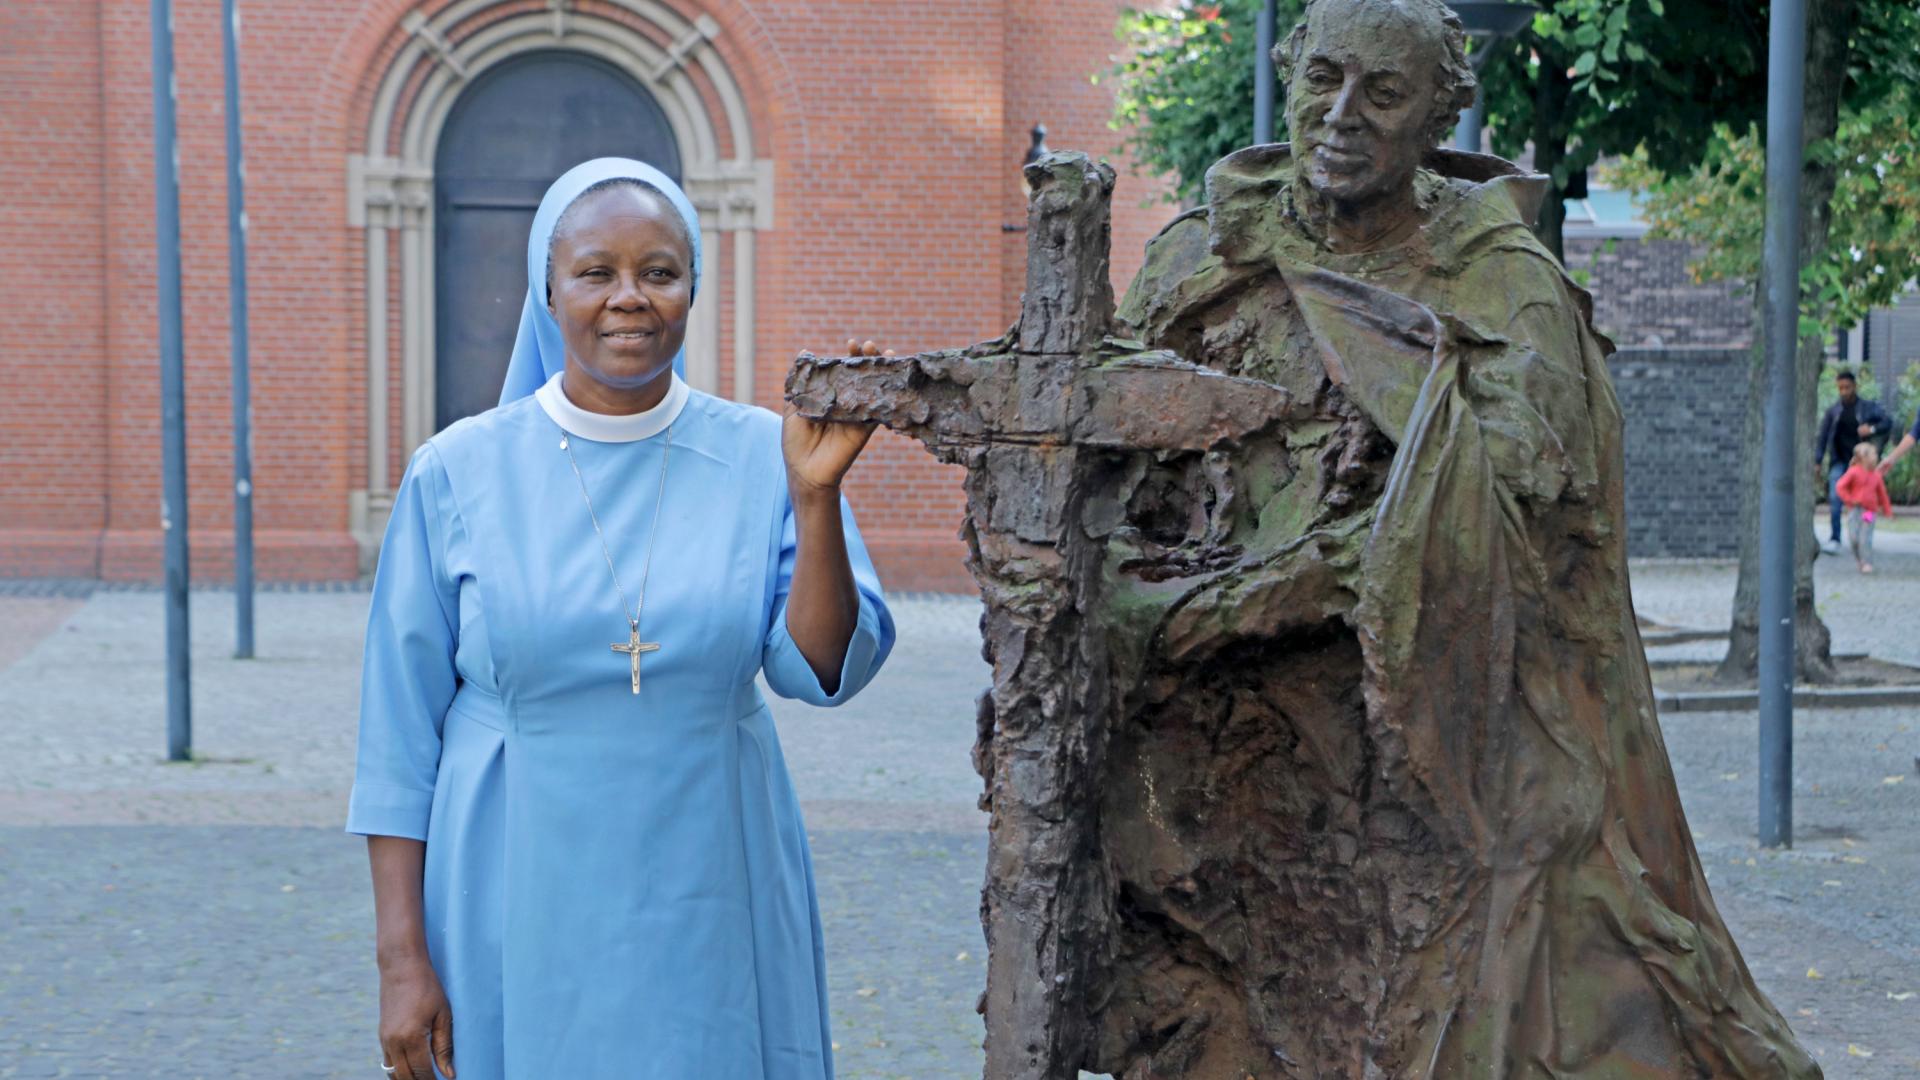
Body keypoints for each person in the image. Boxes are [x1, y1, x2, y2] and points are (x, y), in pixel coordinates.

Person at [1104, 0, 1820, 1073]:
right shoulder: (1197, 259)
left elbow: (1523, 483)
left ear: (1438, 115)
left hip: (1449, 731)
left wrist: (1275, 584)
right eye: (1324, 79)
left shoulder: (1498, 276)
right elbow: (1110, 455)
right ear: (1291, 72)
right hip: (1233, 740)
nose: (1342, 115)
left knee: (1504, 992)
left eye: (1384, 94)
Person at [347, 157, 895, 1080]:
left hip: (713, 879)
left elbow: (818, 669)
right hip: (513, 884)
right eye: (596, 272)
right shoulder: (456, 471)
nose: (628, 298)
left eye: (659, 272)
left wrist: (813, 498)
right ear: (548, 289)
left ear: (692, 288)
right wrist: (402, 961)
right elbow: (397, 741)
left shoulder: (768, 450)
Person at [1814, 368, 1892, 552]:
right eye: (1840, 388)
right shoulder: (1833, 411)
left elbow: (1887, 422)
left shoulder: (1867, 408)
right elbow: (1823, 437)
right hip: (1840, 461)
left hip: (1862, 464)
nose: (1844, 391)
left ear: (1855, 386)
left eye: (1847, 387)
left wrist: (1871, 430)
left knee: (1865, 503)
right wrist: (1817, 460)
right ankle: (1835, 538)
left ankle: (1863, 538)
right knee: (1835, 496)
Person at [1837, 441, 1894, 572]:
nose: (1876, 456)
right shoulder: (1853, 472)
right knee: (1853, 538)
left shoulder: (1876, 475)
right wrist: (1850, 500)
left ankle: (1867, 561)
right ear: (1863, 456)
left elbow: (1882, 494)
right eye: (1873, 454)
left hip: (1869, 511)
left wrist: (1887, 511)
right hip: (1854, 510)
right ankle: (1859, 559)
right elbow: (1840, 487)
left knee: (1865, 537)